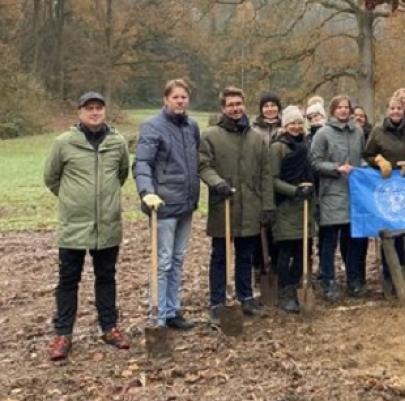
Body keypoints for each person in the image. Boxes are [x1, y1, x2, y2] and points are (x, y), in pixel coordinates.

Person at [44, 91, 131, 360]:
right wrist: (73, 201)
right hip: (74, 226)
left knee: (106, 277)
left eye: (99, 108)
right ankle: (63, 334)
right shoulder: (64, 143)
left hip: (107, 225)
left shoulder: (117, 142)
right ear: (79, 112)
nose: (94, 113)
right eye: (89, 108)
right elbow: (51, 178)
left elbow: (121, 175)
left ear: (105, 111)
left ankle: (109, 328)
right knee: (68, 280)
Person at [199, 86, 275, 321]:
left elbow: (265, 173)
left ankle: (246, 297)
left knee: (245, 254)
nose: (235, 108)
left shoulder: (256, 138)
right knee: (220, 255)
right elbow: (203, 165)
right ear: (223, 108)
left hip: (251, 205)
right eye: (230, 105)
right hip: (224, 204)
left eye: (238, 104)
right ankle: (218, 301)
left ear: (244, 105)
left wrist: (268, 205)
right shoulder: (211, 136)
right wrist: (217, 183)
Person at [133, 79, 200, 330]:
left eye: (184, 97)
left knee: (179, 259)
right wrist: (146, 192)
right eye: (176, 97)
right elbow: (142, 163)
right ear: (165, 99)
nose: (180, 101)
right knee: (163, 262)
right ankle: (158, 315)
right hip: (162, 205)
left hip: (186, 205)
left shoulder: (191, 126)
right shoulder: (152, 126)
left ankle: (173, 311)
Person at [364, 96, 405, 287]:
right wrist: (378, 161)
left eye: (399, 108)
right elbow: (366, 154)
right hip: (387, 190)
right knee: (391, 231)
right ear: (387, 110)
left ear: (404, 111)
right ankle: (390, 274)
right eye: (392, 108)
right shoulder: (377, 132)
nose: (395, 112)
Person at [311, 95, 368, 300]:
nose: (343, 110)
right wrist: (336, 168)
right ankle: (328, 282)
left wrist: (364, 168)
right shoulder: (323, 134)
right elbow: (315, 162)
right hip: (331, 193)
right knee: (329, 242)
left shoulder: (357, 131)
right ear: (333, 110)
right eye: (339, 107)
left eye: (347, 107)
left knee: (352, 241)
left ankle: (353, 280)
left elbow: (362, 155)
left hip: (354, 194)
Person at [269, 106, 316, 313]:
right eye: (292, 123)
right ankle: (286, 290)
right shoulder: (278, 148)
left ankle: (298, 286)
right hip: (286, 206)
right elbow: (272, 179)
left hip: (305, 205)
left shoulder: (306, 145)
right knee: (286, 250)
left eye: (299, 123)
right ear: (284, 126)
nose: (296, 127)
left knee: (303, 250)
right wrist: (294, 191)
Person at [251, 92, 282, 284]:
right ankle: (260, 267)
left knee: (277, 229)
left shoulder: (286, 127)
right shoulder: (253, 130)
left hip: (279, 182)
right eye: (266, 105)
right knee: (259, 228)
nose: (270, 108)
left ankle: (277, 267)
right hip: (259, 183)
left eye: (273, 105)